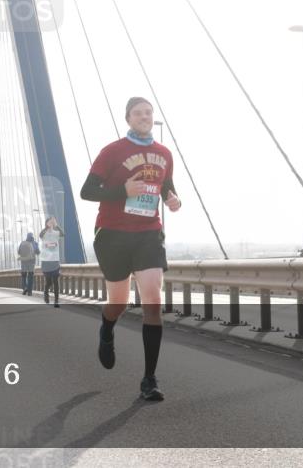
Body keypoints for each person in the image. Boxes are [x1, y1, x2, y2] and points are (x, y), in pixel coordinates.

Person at [80, 96, 181, 402]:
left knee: (152, 298)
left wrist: (173, 199)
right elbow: (87, 191)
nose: (144, 117)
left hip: (148, 233)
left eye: (148, 113)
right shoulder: (112, 151)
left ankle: (149, 379)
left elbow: (167, 186)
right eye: (138, 113)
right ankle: (107, 326)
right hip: (112, 234)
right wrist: (122, 191)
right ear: (128, 119)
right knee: (119, 302)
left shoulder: (164, 153)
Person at [39, 217, 64, 307]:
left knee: (56, 282)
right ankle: (46, 293)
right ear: (46, 224)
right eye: (49, 223)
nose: (51, 224)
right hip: (46, 262)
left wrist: (56, 225)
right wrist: (46, 227)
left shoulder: (56, 233)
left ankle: (56, 301)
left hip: (55, 261)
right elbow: (40, 235)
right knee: (49, 282)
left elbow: (63, 234)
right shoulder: (44, 233)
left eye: (52, 223)